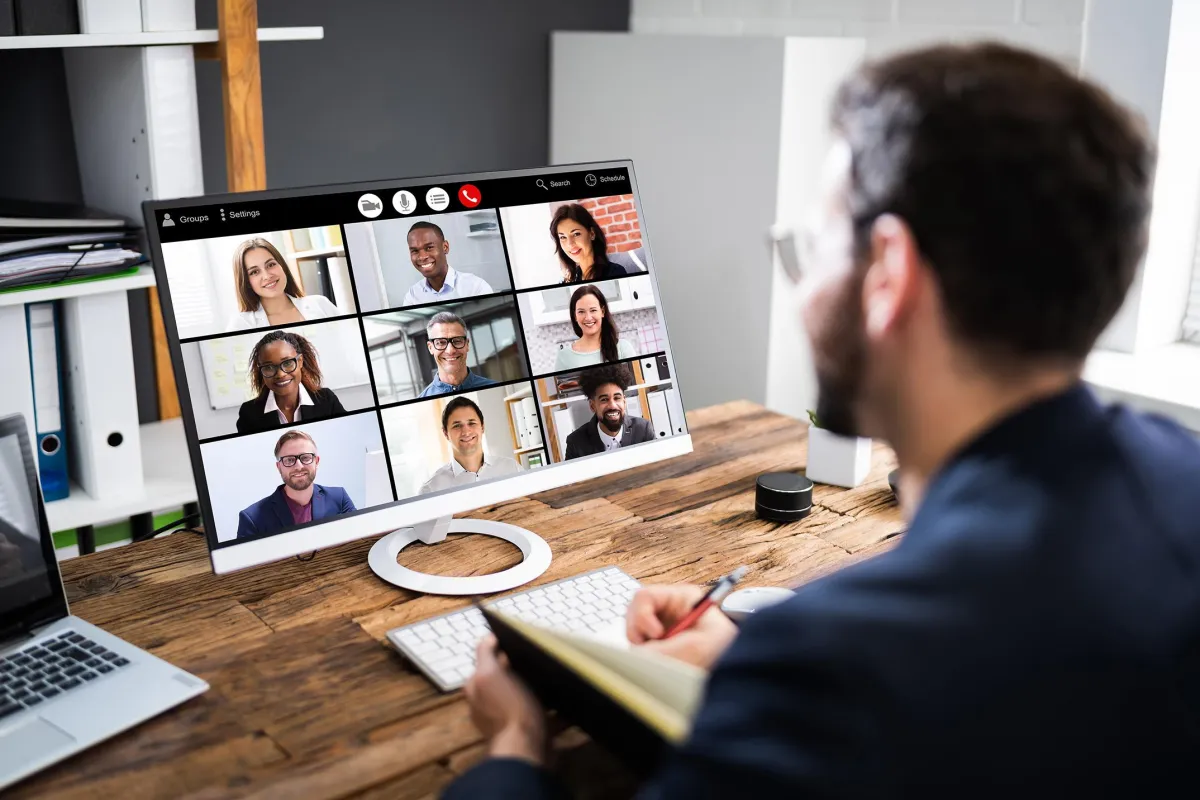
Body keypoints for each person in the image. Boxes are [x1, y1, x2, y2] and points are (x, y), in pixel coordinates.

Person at [446, 43, 1200, 798]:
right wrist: (738, 648)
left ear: (888, 274)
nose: (804, 293)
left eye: (818, 246)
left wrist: (513, 748)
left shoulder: (830, 670)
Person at [235, 430, 356, 539]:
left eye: (306, 457)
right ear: (279, 467)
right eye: (289, 460)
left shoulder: (339, 498)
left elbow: (358, 539)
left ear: (317, 461)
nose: (299, 466)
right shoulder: (252, 518)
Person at [236, 330, 347, 434]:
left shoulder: (326, 400)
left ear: (300, 362)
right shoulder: (249, 413)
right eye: (269, 367)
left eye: (288, 363)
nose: (280, 374)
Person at [225, 238, 341, 331]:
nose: (267, 276)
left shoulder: (320, 304)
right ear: (246, 282)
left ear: (282, 266)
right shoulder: (241, 324)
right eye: (254, 272)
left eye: (270, 265)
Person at [419, 397, 521, 494]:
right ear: (446, 433)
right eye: (457, 426)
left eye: (472, 423)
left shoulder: (512, 469)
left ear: (482, 427)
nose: (466, 432)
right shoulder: (431, 489)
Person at [563, 364, 654, 459]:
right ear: (592, 406)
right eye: (604, 399)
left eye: (617, 398)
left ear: (624, 401)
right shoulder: (575, 442)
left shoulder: (643, 429)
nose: (612, 405)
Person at [400, 221, 495, 306]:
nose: (422, 257)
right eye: (415, 251)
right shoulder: (412, 295)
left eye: (429, 248)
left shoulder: (476, 287)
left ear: (445, 247)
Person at [553, 284, 637, 371]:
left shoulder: (623, 348)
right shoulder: (564, 357)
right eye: (581, 312)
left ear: (602, 311)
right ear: (575, 316)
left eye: (593, 310)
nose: (588, 317)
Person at [418, 312, 500, 398]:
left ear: (467, 344)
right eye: (441, 342)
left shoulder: (495, 390)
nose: (450, 351)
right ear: (430, 347)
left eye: (457, 341)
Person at [550, 204, 628, 284]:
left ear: (592, 233)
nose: (570, 244)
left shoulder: (615, 272)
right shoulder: (568, 280)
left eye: (576, 234)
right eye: (563, 237)